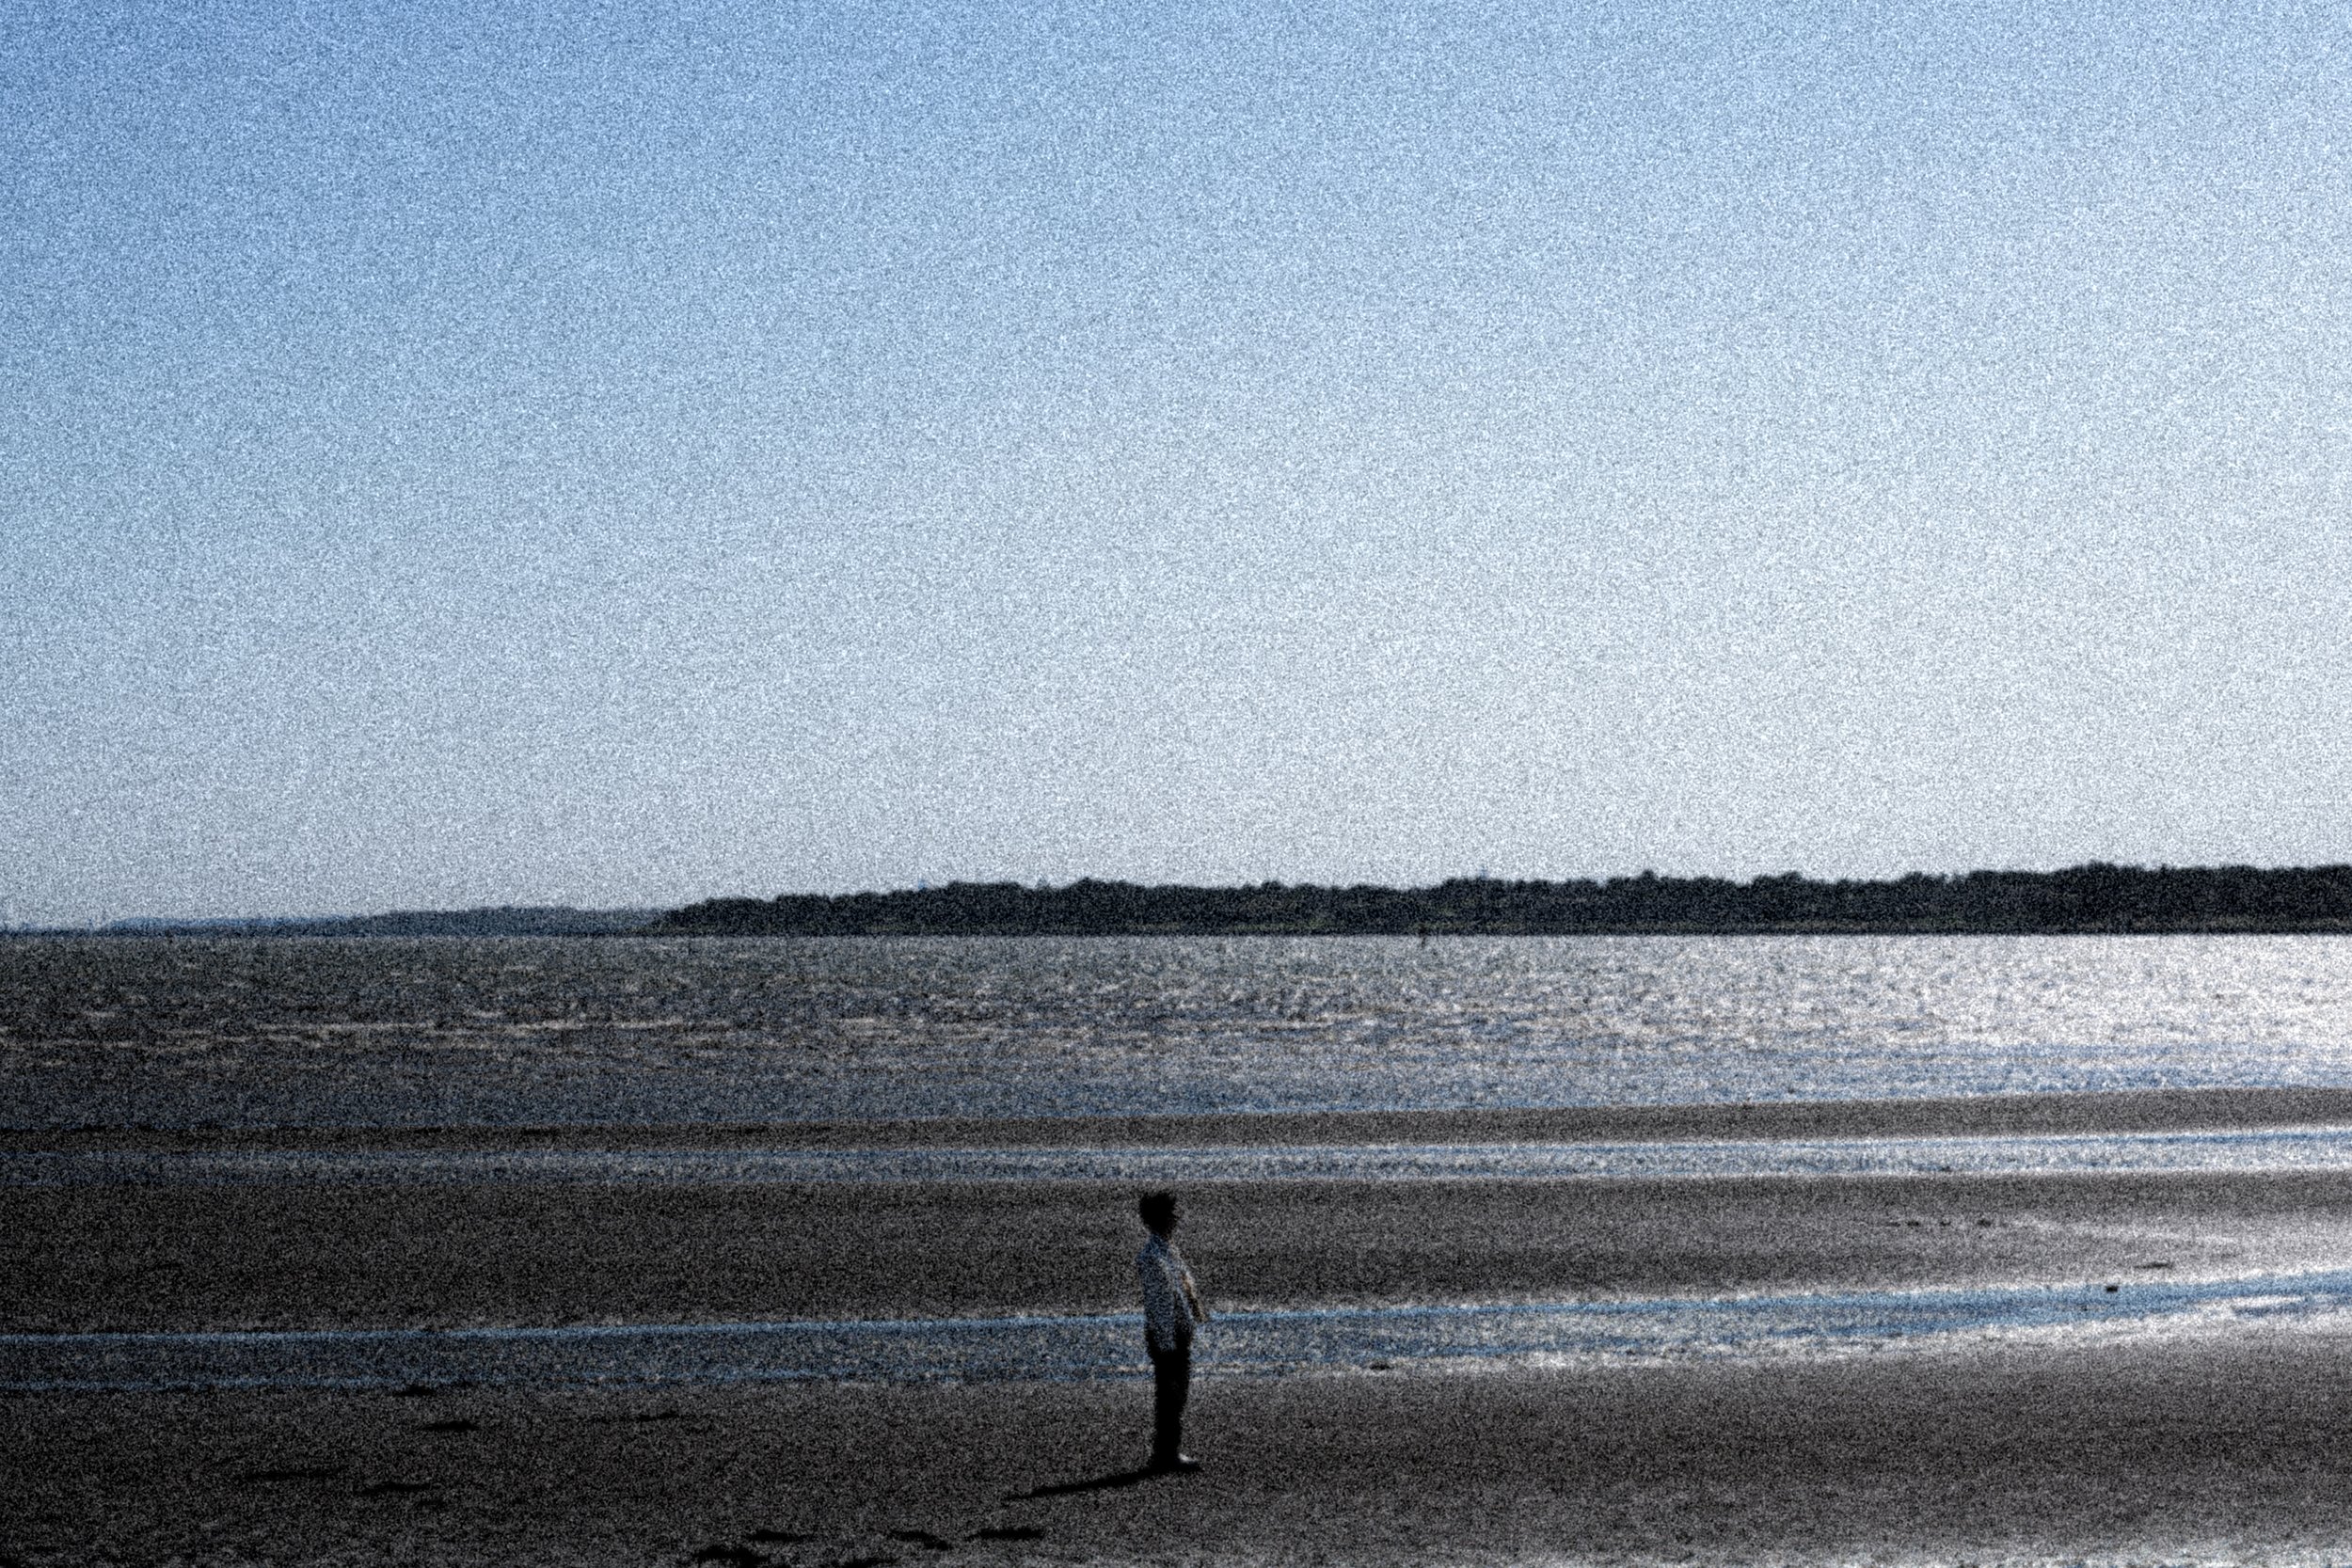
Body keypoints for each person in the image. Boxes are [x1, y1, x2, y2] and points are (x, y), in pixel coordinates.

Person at [1136, 1190, 1209, 1473]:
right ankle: (1166, 1455)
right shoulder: (1153, 1258)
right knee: (1171, 1396)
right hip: (1168, 1338)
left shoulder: (1166, 1250)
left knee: (1175, 1395)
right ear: (1161, 1218)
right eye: (1172, 1213)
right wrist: (1167, 1343)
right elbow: (1159, 1305)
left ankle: (1167, 1452)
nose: (1176, 1218)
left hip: (1176, 1335)